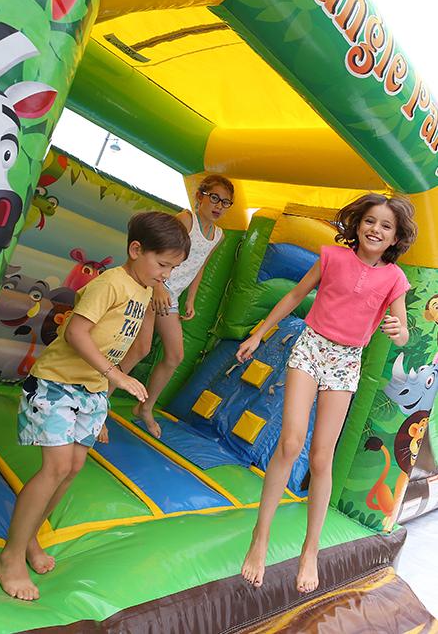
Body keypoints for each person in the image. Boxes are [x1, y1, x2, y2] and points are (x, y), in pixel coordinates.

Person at [0, 211, 190, 601]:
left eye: (173, 268)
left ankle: (29, 538)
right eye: (162, 265)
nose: (166, 274)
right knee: (56, 467)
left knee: (73, 468)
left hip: (91, 392)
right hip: (58, 383)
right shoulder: (110, 284)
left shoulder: (145, 288)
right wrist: (114, 375)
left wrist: (104, 396)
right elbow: (76, 331)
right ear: (136, 250)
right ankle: (10, 558)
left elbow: (141, 344)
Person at [236, 193, 418, 593]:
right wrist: (259, 333)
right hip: (311, 346)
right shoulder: (332, 258)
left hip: (346, 361)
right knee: (290, 442)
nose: (376, 229)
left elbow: (403, 330)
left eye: (386, 226)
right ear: (357, 224)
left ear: (395, 237)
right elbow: (295, 295)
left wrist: (397, 331)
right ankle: (259, 538)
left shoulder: (394, 279)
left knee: (322, 457)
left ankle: (310, 550)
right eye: (370, 221)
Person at [120, 175, 234, 439]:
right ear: (200, 196)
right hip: (151, 287)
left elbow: (200, 266)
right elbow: (157, 253)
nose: (218, 206)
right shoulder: (186, 220)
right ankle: (98, 407)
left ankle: (145, 407)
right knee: (140, 348)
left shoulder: (218, 235)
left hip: (172, 296)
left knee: (174, 356)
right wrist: (158, 287)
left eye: (226, 203)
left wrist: (190, 298)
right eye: (214, 197)